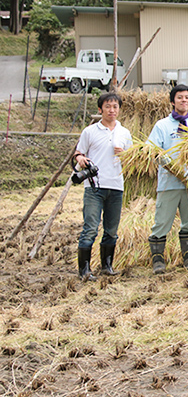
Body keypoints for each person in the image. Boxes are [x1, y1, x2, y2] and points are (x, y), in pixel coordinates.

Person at [74, 92, 132, 280]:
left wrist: (124, 154)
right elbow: (78, 154)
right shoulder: (90, 131)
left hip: (116, 186)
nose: (112, 110)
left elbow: (132, 160)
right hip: (94, 187)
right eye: (108, 106)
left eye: (115, 106)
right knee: (90, 227)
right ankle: (84, 269)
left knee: (111, 230)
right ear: (100, 109)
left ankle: (107, 265)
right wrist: (81, 158)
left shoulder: (125, 133)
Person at [146, 84, 188, 274]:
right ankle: (158, 262)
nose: (184, 100)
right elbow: (152, 150)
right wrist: (173, 167)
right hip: (168, 182)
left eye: (187, 97)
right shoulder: (162, 125)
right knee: (162, 222)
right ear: (172, 101)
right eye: (180, 97)